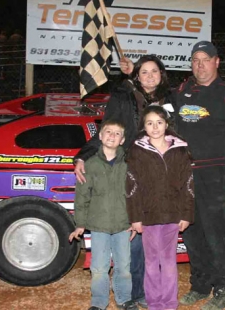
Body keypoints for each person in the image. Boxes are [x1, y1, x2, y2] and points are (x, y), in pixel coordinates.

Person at [120, 42, 225, 310]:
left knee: (215, 232)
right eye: (195, 59)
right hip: (180, 174)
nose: (200, 64)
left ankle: (224, 286)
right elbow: (152, 96)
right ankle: (201, 283)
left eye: (205, 59)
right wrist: (134, 71)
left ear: (217, 62)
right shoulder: (180, 92)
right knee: (190, 231)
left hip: (214, 175)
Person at [74, 54, 175, 309]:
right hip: (133, 170)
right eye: (144, 72)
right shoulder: (124, 95)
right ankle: (134, 293)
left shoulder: (172, 99)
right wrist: (82, 156)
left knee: (154, 237)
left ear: (162, 74)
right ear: (137, 76)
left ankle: (150, 290)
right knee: (136, 236)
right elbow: (108, 128)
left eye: (154, 71)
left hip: (162, 175)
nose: (150, 76)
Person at [126, 105, 194, 310]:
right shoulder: (137, 151)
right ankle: (155, 303)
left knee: (168, 260)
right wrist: (135, 217)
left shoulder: (180, 150)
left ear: (166, 124)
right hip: (148, 216)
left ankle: (169, 303)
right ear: (143, 127)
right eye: (149, 123)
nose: (155, 127)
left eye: (159, 122)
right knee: (152, 261)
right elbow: (131, 186)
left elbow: (188, 185)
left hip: (173, 215)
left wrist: (186, 214)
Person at [69, 119, 138, 310]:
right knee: (99, 268)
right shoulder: (89, 165)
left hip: (123, 225)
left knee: (124, 266)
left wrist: (134, 220)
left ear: (123, 140)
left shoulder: (129, 164)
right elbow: (82, 197)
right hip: (99, 226)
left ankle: (124, 299)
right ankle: (99, 303)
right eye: (108, 132)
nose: (112, 136)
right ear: (100, 136)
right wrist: (80, 224)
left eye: (117, 133)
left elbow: (135, 195)